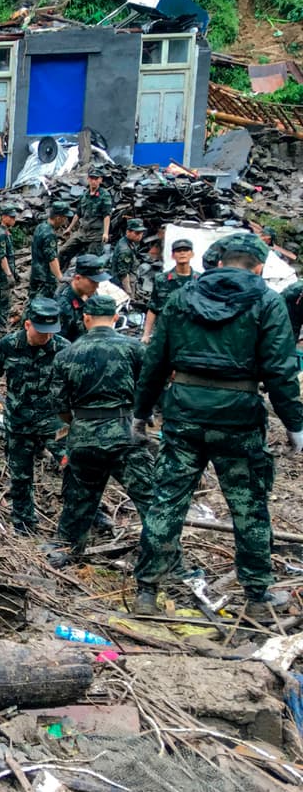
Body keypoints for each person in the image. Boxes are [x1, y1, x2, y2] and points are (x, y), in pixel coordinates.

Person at [133, 234, 303, 617]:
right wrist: (295, 425)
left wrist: (140, 414)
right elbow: (281, 370)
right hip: (238, 419)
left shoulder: (182, 298)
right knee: (249, 507)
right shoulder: (267, 302)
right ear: (258, 266)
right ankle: (257, 598)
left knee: (167, 502)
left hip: (184, 414)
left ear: (220, 260)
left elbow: (154, 364)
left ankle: (147, 591)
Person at [45, 293, 152, 567]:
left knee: (79, 498)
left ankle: (66, 549)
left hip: (84, 433)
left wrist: (78, 422)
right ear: (115, 318)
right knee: (149, 499)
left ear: (86, 318)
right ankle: (164, 559)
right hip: (126, 431)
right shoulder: (134, 349)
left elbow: (59, 404)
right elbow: (151, 388)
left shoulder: (66, 354)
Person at [0, 298, 68, 535]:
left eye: (51, 331)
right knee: (20, 476)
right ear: (27, 325)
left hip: (54, 424)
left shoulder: (64, 349)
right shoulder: (9, 345)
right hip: (19, 423)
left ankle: (79, 518)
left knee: (73, 466)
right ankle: (24, 525)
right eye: (41, 331)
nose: (47, 336)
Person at [143, 238, 198, 344]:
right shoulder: (161, 279)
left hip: (190, 337)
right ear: (173, 256)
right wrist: (146, 334)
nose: (182, 253)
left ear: (192, 254)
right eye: (178, 250)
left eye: (186, 250)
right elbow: (153, 308)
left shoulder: (199, 281)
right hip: (165, 335)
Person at [60, 168, 112, 264]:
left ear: (100, 180)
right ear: (88, 179)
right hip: (82, 232)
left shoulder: (104, 195)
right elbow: (78, 214)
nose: (93, 181)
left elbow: (106, 215)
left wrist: (105, 233)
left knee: (91, 260)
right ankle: (57, 273)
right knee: (64, 251)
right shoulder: (84, 195)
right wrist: (69, 228)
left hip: (95, 235)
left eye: (96, 179)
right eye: (91, 178)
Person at [55, 253, 110, 343]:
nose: (97, 286)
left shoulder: (90, 292)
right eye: (93, 282)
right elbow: (59, 340)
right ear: (78, 278)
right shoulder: (63, 304)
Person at [31, 201, 72, 301]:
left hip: (35, 272)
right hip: (45, 277)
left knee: (33, 301)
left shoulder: (40, 226)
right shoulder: (49, 234)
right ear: (58, 218)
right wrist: (60, 277)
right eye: (65, 218)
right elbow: (52, 258)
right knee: (44, 305)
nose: (66, 220)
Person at [0, 203, 18, 332]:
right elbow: (2, 257)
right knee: (2, 307)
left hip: (3, 278)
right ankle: (1, 334)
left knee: (4, 307)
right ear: (4, 217)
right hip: (1, 279)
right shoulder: (1, 235)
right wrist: (9, 275)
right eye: (11, 217)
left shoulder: (6, 233)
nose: (14, 220)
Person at [111, 218, 145, 299]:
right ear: (128, 232)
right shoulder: (125, 251)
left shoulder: (128, 241)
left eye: (141, 233)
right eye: (137, 233)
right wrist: (128, 292)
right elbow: (123, 274)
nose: (140, 235)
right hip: (124, 282)